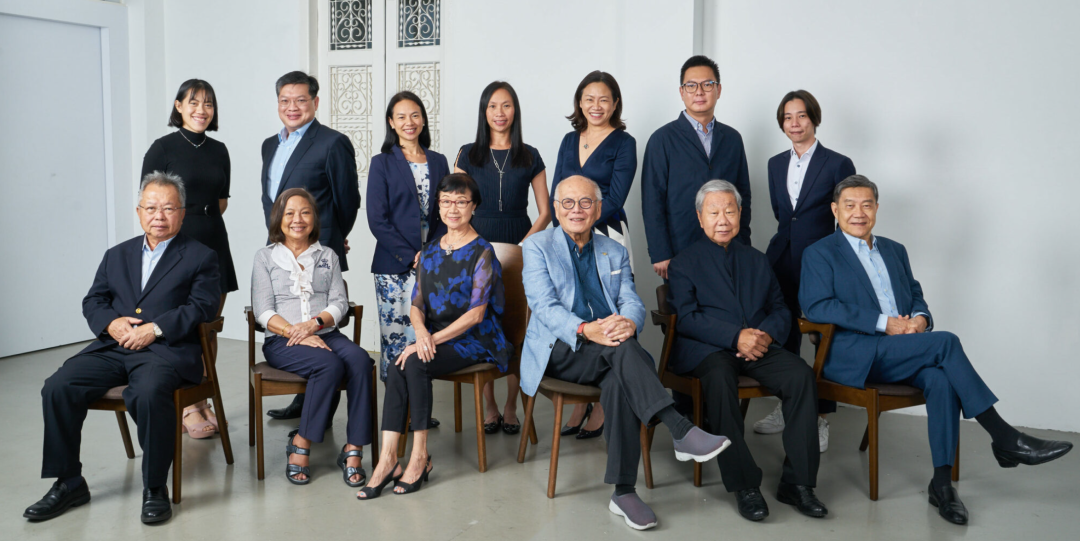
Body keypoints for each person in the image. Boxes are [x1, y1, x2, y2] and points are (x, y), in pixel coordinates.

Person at [799, 175, 1073, 525]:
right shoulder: (820, 252)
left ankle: (941, 486)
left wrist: (920, 320)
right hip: (855, 354)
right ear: (835, 210)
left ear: (877, 209)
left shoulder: (895, 250)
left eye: (867, 205)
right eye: (849, 205)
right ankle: (1004, 436)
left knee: (941, 379)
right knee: (947, 342)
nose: (859, 213)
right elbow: (819, 306)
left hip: (903, 349)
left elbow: (915, 295)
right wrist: (886, 323)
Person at [520, 175, 731, 531]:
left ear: (598, 209)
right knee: (623, 353)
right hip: (562, 347)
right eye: (568, 203)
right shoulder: (537, 246)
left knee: (619, 373)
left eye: (586, 202)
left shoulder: (613, 249)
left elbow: (630, 299)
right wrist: (588, 329)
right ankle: (678, 428)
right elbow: (544, 306)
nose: (577, 210)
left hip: (611, 348)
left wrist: (630, 323)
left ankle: (623, 491)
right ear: (555, 209)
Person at [25, 172, 220, 524]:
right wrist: (110, 323)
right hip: (114, 347)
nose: (158, 215)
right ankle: (69, 482)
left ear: (182, 212)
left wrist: (155, 329)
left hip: (165, 350)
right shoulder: (117, 254)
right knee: (58, 386)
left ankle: (155, 486)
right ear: (138, 210)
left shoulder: (200, 257)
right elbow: (94, 300)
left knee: (146, 393)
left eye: (168, 208)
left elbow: (202, 307)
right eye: (151, 207)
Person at [667, 180, 825, 522]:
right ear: (699, 217)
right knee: (720, 380)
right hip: (707, 350)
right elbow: (688, 319)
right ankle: (745, 485)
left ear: (740, 214)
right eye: (714, 212)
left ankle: (798, 484)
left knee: (800, 376)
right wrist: (735, 336)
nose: (722, 219)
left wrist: (764, 335)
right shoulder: (683, 263)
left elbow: (780, 307)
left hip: (759, 346)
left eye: (730, 210)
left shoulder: (756, 259)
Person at [358, 174, 511, 500]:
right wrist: (422, 333)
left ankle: (419, 456)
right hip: (437, 335)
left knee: (415, 362)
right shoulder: (429, 252)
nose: (452, 208)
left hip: (477, 339)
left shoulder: (482, 252)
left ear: (473, 207)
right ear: (438, 207)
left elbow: (477, 314)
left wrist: (429, 341)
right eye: (446, 202)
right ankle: (387, 459)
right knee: (398, 362)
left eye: (461, 202)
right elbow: (417, 305)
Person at [753, 90, 858, 452]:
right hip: (781, 257)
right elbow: (784, 215)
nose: (794, 124)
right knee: (783, 330)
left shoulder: (837, 163)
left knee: (822, 335)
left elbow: (847, 216)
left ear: (814, 119)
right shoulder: (774, 163)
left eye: (801, 116)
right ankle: (787, 406)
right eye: (787, 117)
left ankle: (820, 417)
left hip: (821, 259)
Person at [252, 188, 375, 486]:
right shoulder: (265, 257)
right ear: (278, 219)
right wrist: (296, 331)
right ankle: (301, 444)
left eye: (305, 212)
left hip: (325, 333)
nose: (297, 219)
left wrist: (313, 326)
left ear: (314, 218)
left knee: (360, 360)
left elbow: (340, 302)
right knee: (328, 365)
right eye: (290, 213)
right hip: (282, 340)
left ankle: (353, 449)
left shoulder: (328, 255)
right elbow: (262, 310)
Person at [260, 71, 359, 421]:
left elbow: (348, 201)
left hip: (318, 251)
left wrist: (329, 239)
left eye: (301, 100)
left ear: (315, 103)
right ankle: (304, 400)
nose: (292, 107)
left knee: (320, 327)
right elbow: (270, 200)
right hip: (281, 249)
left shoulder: (333, 142)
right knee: (291, 323)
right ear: (277, 104)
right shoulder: (270, 145)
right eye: (285, 100)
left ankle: (320, 407)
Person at [141, 78, 235, 439]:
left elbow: (223, 200)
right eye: (193, 102)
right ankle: (186, 405)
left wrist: (204, 219)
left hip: (213, 241)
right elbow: (150, 205)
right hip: (176, 242)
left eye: (208, 103)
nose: (201, 110)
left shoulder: (220, 149)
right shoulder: (161, 148)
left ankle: (203, 396)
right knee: (178, 325)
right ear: (178, 106)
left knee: (208, 325)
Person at [454, 81, 549, 436]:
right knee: (481, 323)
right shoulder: (467, 154)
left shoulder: (530, 154)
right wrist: (474, 244)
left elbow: (546, 212)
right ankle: (490, 405)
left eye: (506, 106)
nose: (499, 113)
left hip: (521, 243)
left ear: (515, 110)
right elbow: (458, 205)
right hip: (476, 245)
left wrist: (522, 248)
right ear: (484, 111)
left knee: (517, 326)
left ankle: (511, 406)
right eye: (493, 106)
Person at [549, 70, 638, 439]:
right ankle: (578, 403)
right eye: (589, 99)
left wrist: (582, 216)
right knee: (573, 309)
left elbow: (616, 196)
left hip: (607, 233)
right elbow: (558, 188)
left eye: (604, 99)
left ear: (615, 103)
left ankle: (602, 401)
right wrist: (568, 224)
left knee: (607, 308)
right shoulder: (570, 139)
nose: (596, 106)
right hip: (566, 233)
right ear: (579, 102)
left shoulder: (624, 142)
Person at [642, 55, 751, 281]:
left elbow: (744, 195)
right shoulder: (662, 139)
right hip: (679, 247)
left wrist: (743, 243)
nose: (699, 92)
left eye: (707, 84)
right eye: (691, 85)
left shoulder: (732, 138)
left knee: (729, 310)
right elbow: (652, 199)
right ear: (682, 92)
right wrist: (660, 252)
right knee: (687, 312)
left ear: (718, 90)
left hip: (727, 245)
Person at [368, 91, 449, 392]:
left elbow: (447, 213)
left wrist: (429, 256)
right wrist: (412, 256)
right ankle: (397, 410)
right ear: (391, 122)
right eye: (401, 116)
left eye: (415, 115)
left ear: (424, 119)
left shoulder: (438, 161)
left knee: (423, 338)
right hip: (393, 266)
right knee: (395, 339)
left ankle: (420, 408)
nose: (409, 122)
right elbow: (377, 220)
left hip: (431, 265)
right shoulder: (382, 163)